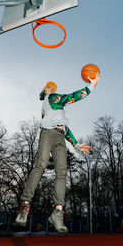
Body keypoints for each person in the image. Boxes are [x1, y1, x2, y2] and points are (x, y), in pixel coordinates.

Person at [15, 73, 100, 233]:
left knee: (62, 173)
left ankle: (57, 212)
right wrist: (92, 85)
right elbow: (72, 97)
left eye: (53, 88)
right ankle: (24, 206)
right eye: (50, 87)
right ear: (46, 90)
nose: (53, 89)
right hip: (47, 134)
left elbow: (63, 128)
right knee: (41, 164)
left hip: (60, 136)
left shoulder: (54, 108)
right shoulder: (52, 98)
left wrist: (76, 144)